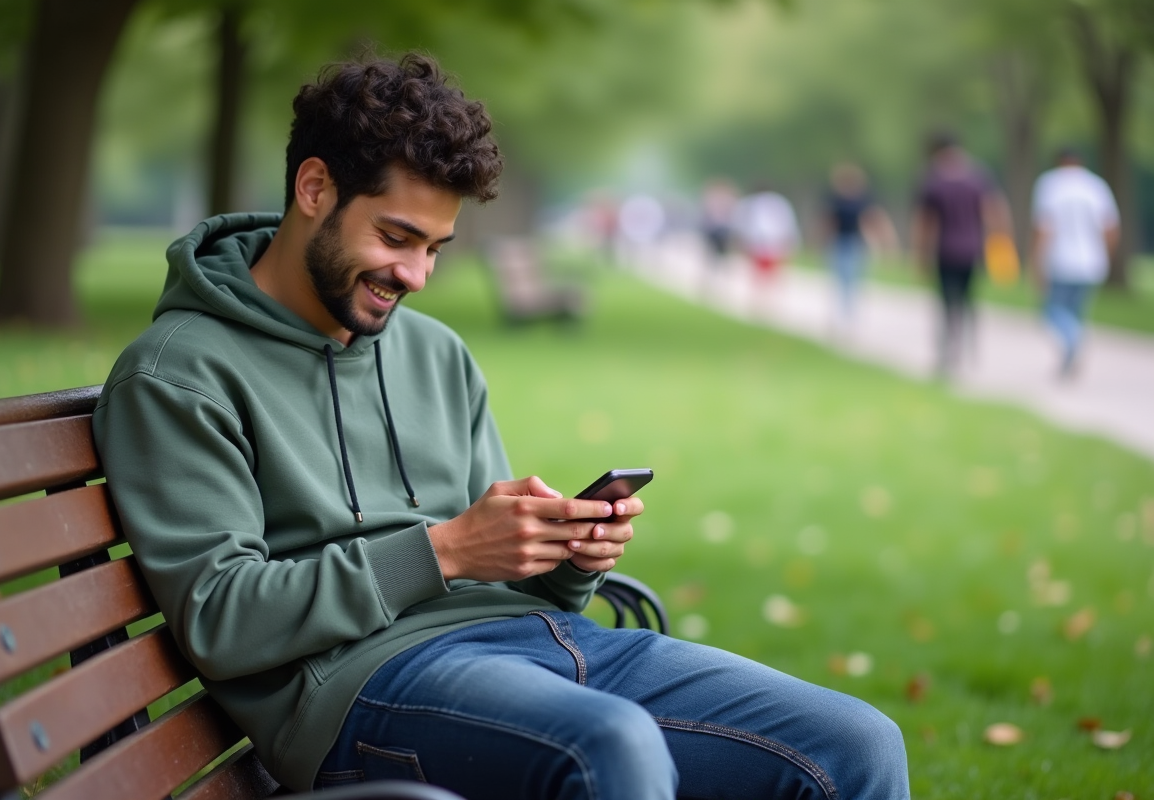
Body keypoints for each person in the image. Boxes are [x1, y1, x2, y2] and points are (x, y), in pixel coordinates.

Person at [93, 54, 909, 800]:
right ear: (314, 190)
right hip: (357, 692)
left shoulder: (435, 354)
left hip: (534, 641)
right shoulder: (178, 374)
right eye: (396, 237)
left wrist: (566, 558)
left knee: (857, 744)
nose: (414, 276)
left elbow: (502, 580)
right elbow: (221, 615)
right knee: (608, 750)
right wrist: (443, 550)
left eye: (436, 248)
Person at [911, 132, 1011, 376]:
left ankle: (949, 351)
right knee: (968, 299)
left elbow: (926, 222)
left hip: (945, 251)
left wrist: (921, 254)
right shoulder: (978, 176)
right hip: (973, 249)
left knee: (947, 301)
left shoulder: (933, 181)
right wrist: (1001, 242)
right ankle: (969, 346)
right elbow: (994, 210)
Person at [1030, 147, 1120, 378]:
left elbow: (1044, 227)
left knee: (1052, 310)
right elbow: (1110, 228)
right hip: (1091, 261)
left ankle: (1072, 341)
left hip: (1060, 260)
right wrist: (1106, 256)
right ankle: (1071, 346)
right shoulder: (1096, 185)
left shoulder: (1050, 184)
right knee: (1076, 312)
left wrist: (1037, 261)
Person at [823, 162, 898, 324]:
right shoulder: (836, 199)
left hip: (856, 242)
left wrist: (885, 241)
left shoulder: (863, 200)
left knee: (854, 277)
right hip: (839, 241)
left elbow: (875, 219)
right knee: (840, 277)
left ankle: (851, 312)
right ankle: (842, 312)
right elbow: (829, 220)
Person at [732, 186, 800, 287]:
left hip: (763, 243)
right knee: (769, 279)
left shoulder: (751, 203)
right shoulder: (779, 203)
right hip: (769, 243)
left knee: (762, 279)